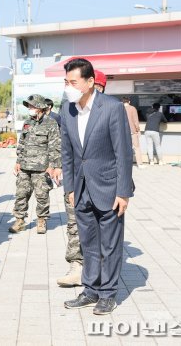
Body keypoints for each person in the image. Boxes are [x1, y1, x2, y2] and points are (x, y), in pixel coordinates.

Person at [61, 58, 133, 315]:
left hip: (109, 188)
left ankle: (108, 294)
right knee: (88, 243)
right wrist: (69, 188)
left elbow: (123, 152)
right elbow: (67, 152)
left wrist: (123, 191)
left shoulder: (112, 108)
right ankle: (90, 289)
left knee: (110, 245)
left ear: (90, 82)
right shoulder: (67, 108)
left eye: (73, 82)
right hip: (80, 189)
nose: (68, 87)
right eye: (66, 82)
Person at [10, 94, 61, 235]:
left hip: (42, 168)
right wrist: (18, 161)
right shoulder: (27, 122)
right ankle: (19, 220)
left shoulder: (51, 123)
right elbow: (22, 143)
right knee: (21, 194)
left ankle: (41, 220)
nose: (30, 109)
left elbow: (55, 146)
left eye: (32, 106)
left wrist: (53, 165)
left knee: (42, 195)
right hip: (25, 167)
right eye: (29, 106)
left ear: (39, 108)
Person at [122, 97, 144, 169]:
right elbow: (135, 120)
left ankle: (125, 164)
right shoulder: (132, 108)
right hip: (132, 131)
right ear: (129, 101)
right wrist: (138, 130)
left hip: (123, 132)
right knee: (137, 147)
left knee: (124, 148)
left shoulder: (120, 109)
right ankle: (140, 164)